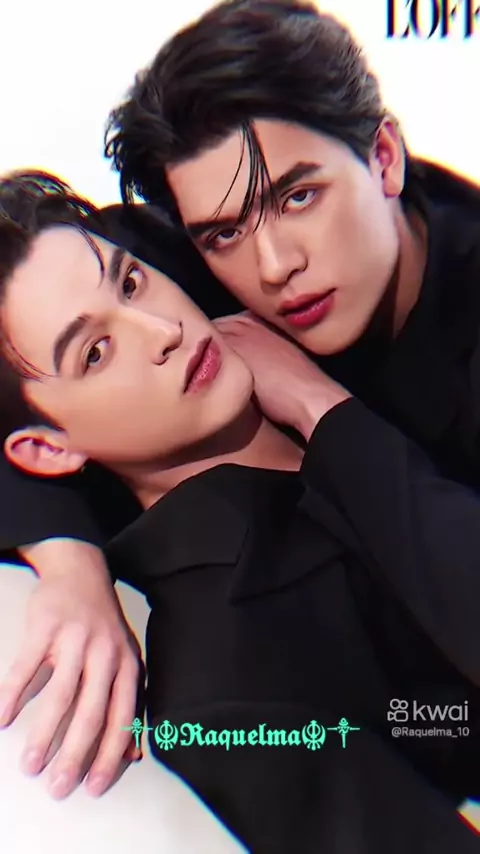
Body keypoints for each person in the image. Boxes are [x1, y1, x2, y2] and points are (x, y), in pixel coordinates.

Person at [1, 0, 480, 799]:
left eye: (299, 198)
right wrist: (68, 563)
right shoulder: (166, 263)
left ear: (384, 157)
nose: (274, 264)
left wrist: (320, 407)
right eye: (222, 233)